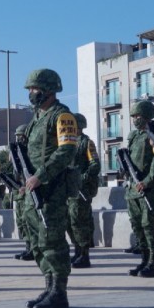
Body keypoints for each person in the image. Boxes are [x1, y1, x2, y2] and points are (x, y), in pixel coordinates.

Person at [21, 68, 78, 308]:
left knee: (53, 241)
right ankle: (48, 285)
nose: (32, 93)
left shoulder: (62, 116)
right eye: (31, 89)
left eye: (35, 89)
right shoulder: (36, 118)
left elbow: (66, 151)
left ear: (49, 90)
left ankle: (59, 292)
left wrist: (41, 176)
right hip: (34, 190)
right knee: (36, 242)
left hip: (51, 188)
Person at [123, 101, 154, 278]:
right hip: (133, 188)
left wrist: (148, 181)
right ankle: (144, 260)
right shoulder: (134, 136)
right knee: (138, 226)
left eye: (138, 116)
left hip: (148, 189)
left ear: (148, 115)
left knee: (150, 226)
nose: (135, 119)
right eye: (133, 116)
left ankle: (153, 263)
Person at [66, 113, 101, 269]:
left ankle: (84, 254)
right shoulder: (67, 143)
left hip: (81, 191)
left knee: (80, 223)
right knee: (69, 222)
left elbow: (95, 165)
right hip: (68, 191)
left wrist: (82, 178)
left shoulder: (87, 143)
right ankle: (77, 251)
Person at [11, 124, 34, 261]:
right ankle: (28, 247)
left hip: (29, 191)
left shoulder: (30, 151)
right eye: (17, 137)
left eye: (21, 136)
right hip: (19, 192)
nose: (19, 139)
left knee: (29, 222)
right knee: (22, 223)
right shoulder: (18, 152)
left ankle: (33, 249)